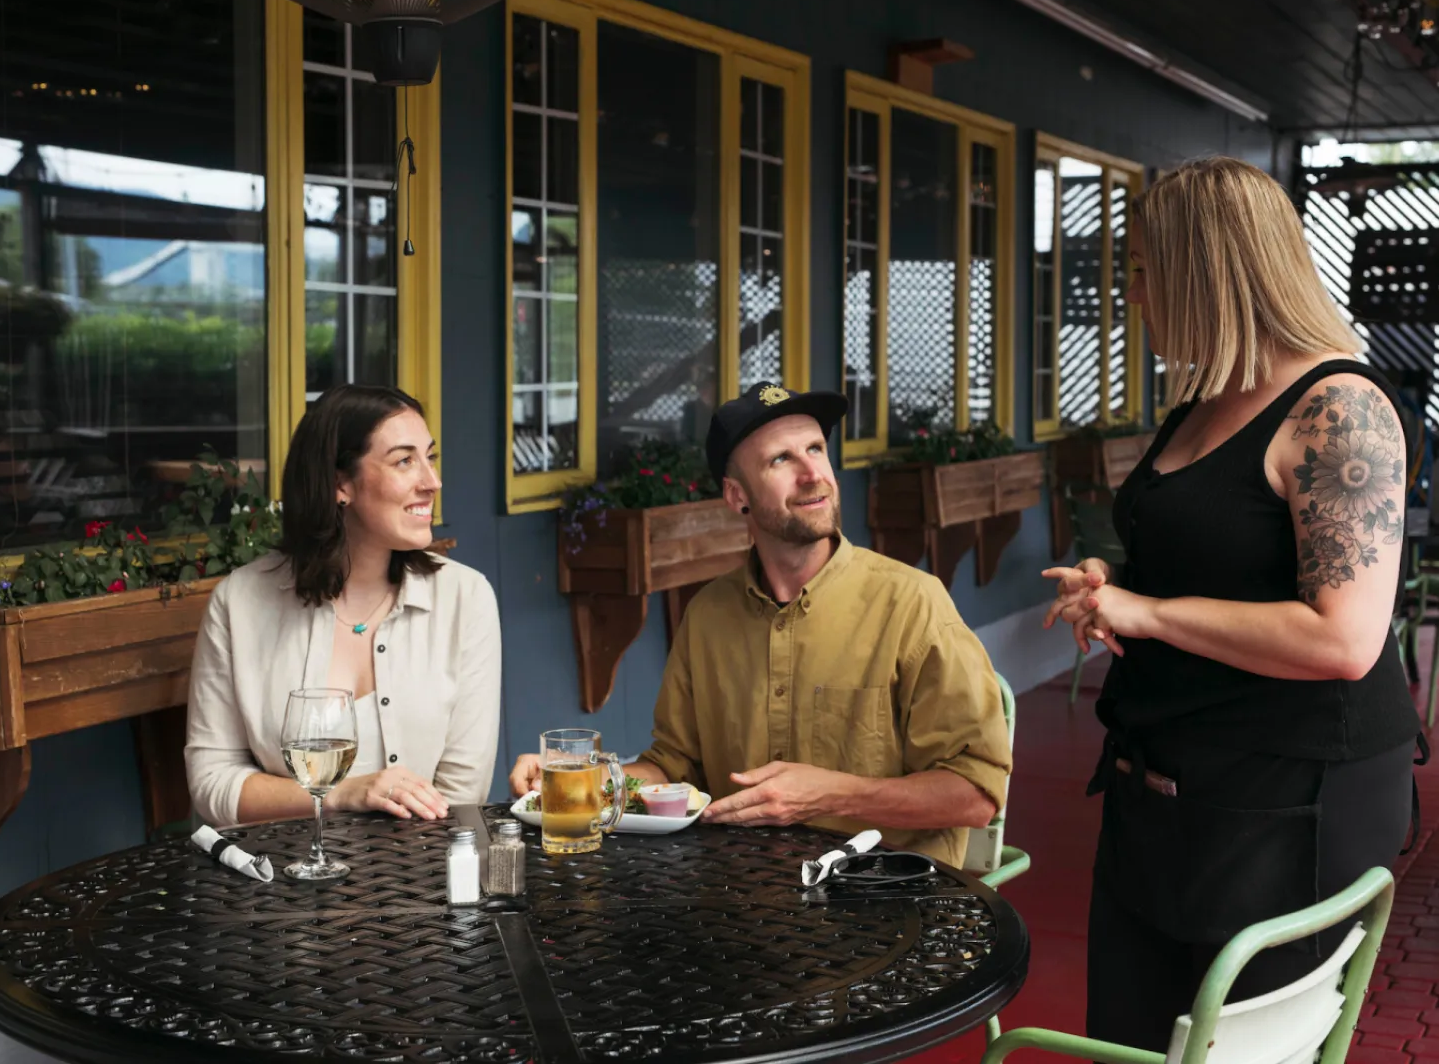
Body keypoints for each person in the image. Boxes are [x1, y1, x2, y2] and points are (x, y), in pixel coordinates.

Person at [1042, 156, 1424, 1050]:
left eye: (1145, 269)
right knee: (1133, 1041)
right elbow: (1209, 555)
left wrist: (1147, 613)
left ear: (1205, 271)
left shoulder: (1339, 409)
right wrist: (1116, 585)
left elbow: (1344, 637)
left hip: (1287, 800)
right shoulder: (1203, 399)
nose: (1133, 294)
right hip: (1159, 789)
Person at [511, 382, 1011, 867]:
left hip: (889, 899)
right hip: (745, 897)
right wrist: (586, 779)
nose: (812, 474)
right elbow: (674, 766)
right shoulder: (707, 615)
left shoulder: (913, 603)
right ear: (736, 496)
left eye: (816, 449)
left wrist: (829, 795)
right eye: (781, 460)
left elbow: (975, 794)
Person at [186, 384, 502, 829]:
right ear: (340, 484)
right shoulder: (239, 603)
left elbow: (462, 793)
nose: (432, 481)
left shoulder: (465, 598)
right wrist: (340, 794)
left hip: (427, 862)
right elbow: (212, 781)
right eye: (404, 461)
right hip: (280, 867)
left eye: (429, 457)